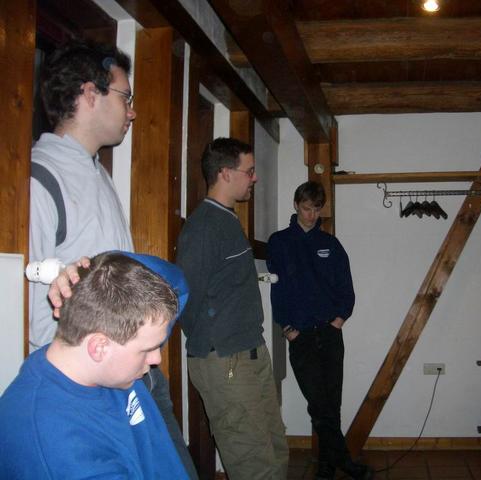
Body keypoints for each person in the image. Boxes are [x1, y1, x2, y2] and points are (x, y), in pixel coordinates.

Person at [28, 40, 198, 478]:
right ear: (89, 94)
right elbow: (35, 320)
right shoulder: (39, 178)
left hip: (135, 377)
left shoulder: (96, 173)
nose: (133, 111)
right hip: (96, 390)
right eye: (126, 97)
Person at [0, 252, 189, 479]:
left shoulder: (97, 360)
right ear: (99, 348)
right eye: (147, 349)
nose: (156, 359)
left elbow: (178, 285)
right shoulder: (61, 449)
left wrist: (92, 272)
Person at [176, 137, 289, 479]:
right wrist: (216, 340)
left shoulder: (227, 220)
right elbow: (185, 297)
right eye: (249, 171)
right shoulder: (203, 227)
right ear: (225, 173)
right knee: (254, 464)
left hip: (250, 351)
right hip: (225, 359)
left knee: (275, 450)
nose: (255, 177)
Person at [267, 181, 373, 480]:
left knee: (331, 404)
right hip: (300, 335)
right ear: (296, 205)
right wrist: (287, 328)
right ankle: (345, 462)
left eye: (316, 209)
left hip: (329, 334)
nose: (311, 215)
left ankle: (327, 466)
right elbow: (277, 291)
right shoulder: (279, 242)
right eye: (306, 209)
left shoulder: (331, 244)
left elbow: (346, 287)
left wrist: (339, 320)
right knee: (318, 404)